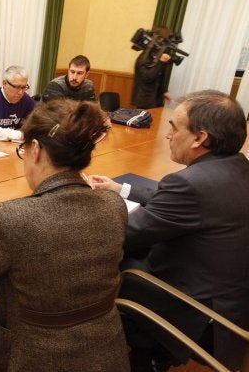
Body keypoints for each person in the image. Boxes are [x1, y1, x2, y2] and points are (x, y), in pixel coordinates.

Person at [0, 100, 129, 371]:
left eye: (23, 150)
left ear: (37, 150)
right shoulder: (114, 205)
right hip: (108, 352)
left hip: (36, 357)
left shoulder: (12, 218)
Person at [88, 90, 249, 371]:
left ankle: (130, 352)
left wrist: (76, 208)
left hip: (197, 313)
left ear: (200, 138)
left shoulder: (190, 185)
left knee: (104, 258)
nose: (168, 135)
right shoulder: (236, 167)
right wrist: (120, 188)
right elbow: (183, 200)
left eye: (174, 127)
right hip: (232, 302)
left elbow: (123, 234)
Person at [132, 25, 173, 109]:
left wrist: (164, 91)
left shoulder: (156, 56)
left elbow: (160, 77)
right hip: (144, 102)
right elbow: (148, 77)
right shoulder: (144, 57)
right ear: (158, 38)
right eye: (162, 39)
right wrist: (161, 62)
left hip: (156, 100)